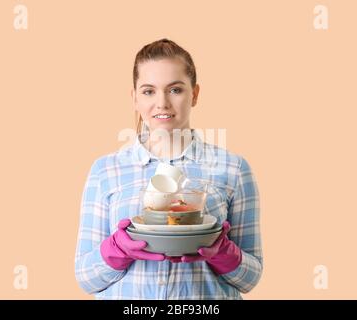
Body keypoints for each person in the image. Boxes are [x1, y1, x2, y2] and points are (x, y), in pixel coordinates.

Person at [75, 38, 262, 300]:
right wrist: (117, 249)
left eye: (175, 90)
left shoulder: (233, 169)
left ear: (194, 94)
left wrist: (223, 252)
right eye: (148, 91)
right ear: (135, 99)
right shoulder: (106, 170)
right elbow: (86, 277)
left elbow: (250, 278)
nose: (162, 103)